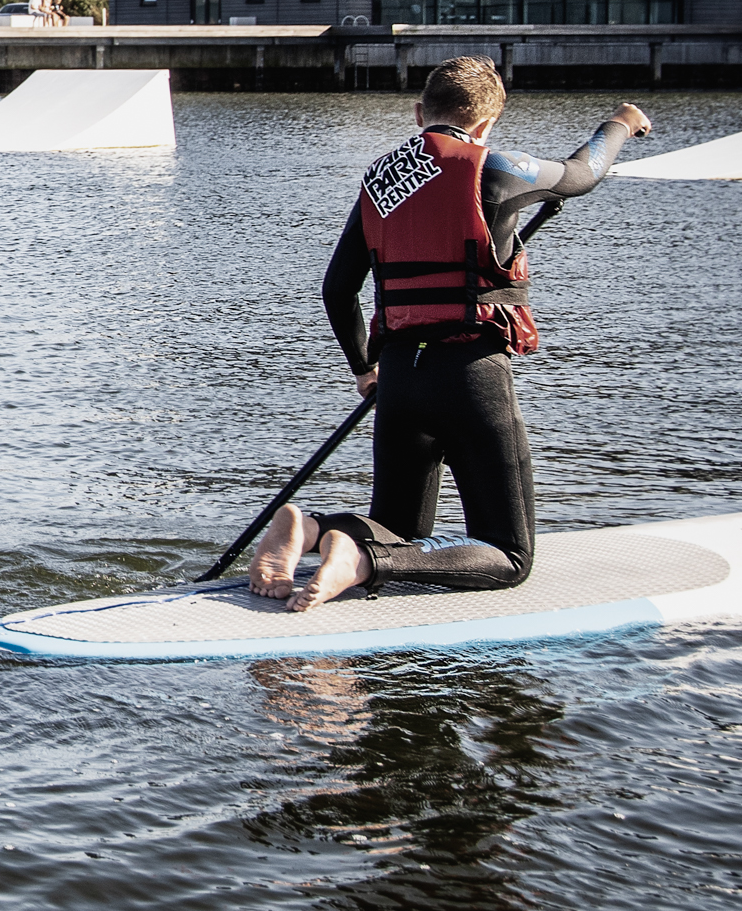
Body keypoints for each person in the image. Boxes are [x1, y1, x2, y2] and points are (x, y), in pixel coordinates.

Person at [250, 56, 651, 612]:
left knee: (395, 524)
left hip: (400, 379)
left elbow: (338, 290)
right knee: (509, 555)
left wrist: (366, 369)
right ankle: (363, 561)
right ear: (486, 125)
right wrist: (621, 124)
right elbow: (583, 173)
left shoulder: (379, 178)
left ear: (420, 113)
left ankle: (313, 529)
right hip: (470, 375)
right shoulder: (497, 167)